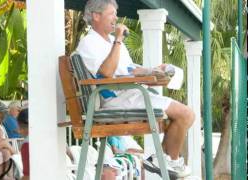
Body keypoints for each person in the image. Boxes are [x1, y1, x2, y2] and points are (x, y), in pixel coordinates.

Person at [77, 0, 195, 178]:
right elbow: (106, 73)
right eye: (111, 14)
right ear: (96, 16)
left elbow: (130, 69)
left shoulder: (113, 42)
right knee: (185, 114)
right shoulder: (89, 44)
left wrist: (153, 71)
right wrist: (118, 40)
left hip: (133, 93)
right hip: (115, 100)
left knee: (187, 116)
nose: (116, 18)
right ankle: (164, 159)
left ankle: (164, 159)